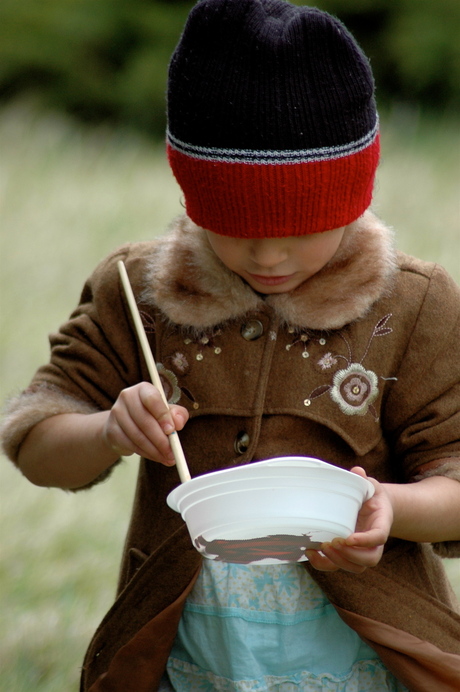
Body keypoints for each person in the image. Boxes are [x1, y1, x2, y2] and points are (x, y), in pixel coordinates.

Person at [2, 0, 460, 690]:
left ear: (356, 193)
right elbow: (37, 446)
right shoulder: (139, 291)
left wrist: (393, 509)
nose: (268, 254)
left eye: (303, 226)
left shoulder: (415, 306)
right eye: (233, 223)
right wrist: (107, 430)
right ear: (190, 193)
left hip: (368, 662)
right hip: (188, 659)